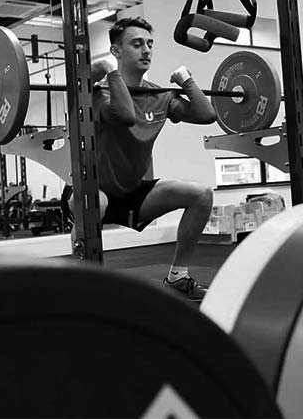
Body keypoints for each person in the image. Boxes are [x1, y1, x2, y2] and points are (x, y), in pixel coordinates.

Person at [77, 16, 217, 301]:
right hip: (94, 188)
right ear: (116, 51)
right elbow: (125, 116)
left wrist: (186, 80)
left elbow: (206, 115)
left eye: (150, 44)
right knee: (94, 203)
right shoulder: (99, 93)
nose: (146, 50)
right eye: (137, 44)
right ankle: (84, 285)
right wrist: (108, 73)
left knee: (201, 194)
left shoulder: (160, 96)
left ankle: (178, 276)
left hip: (132, 192)